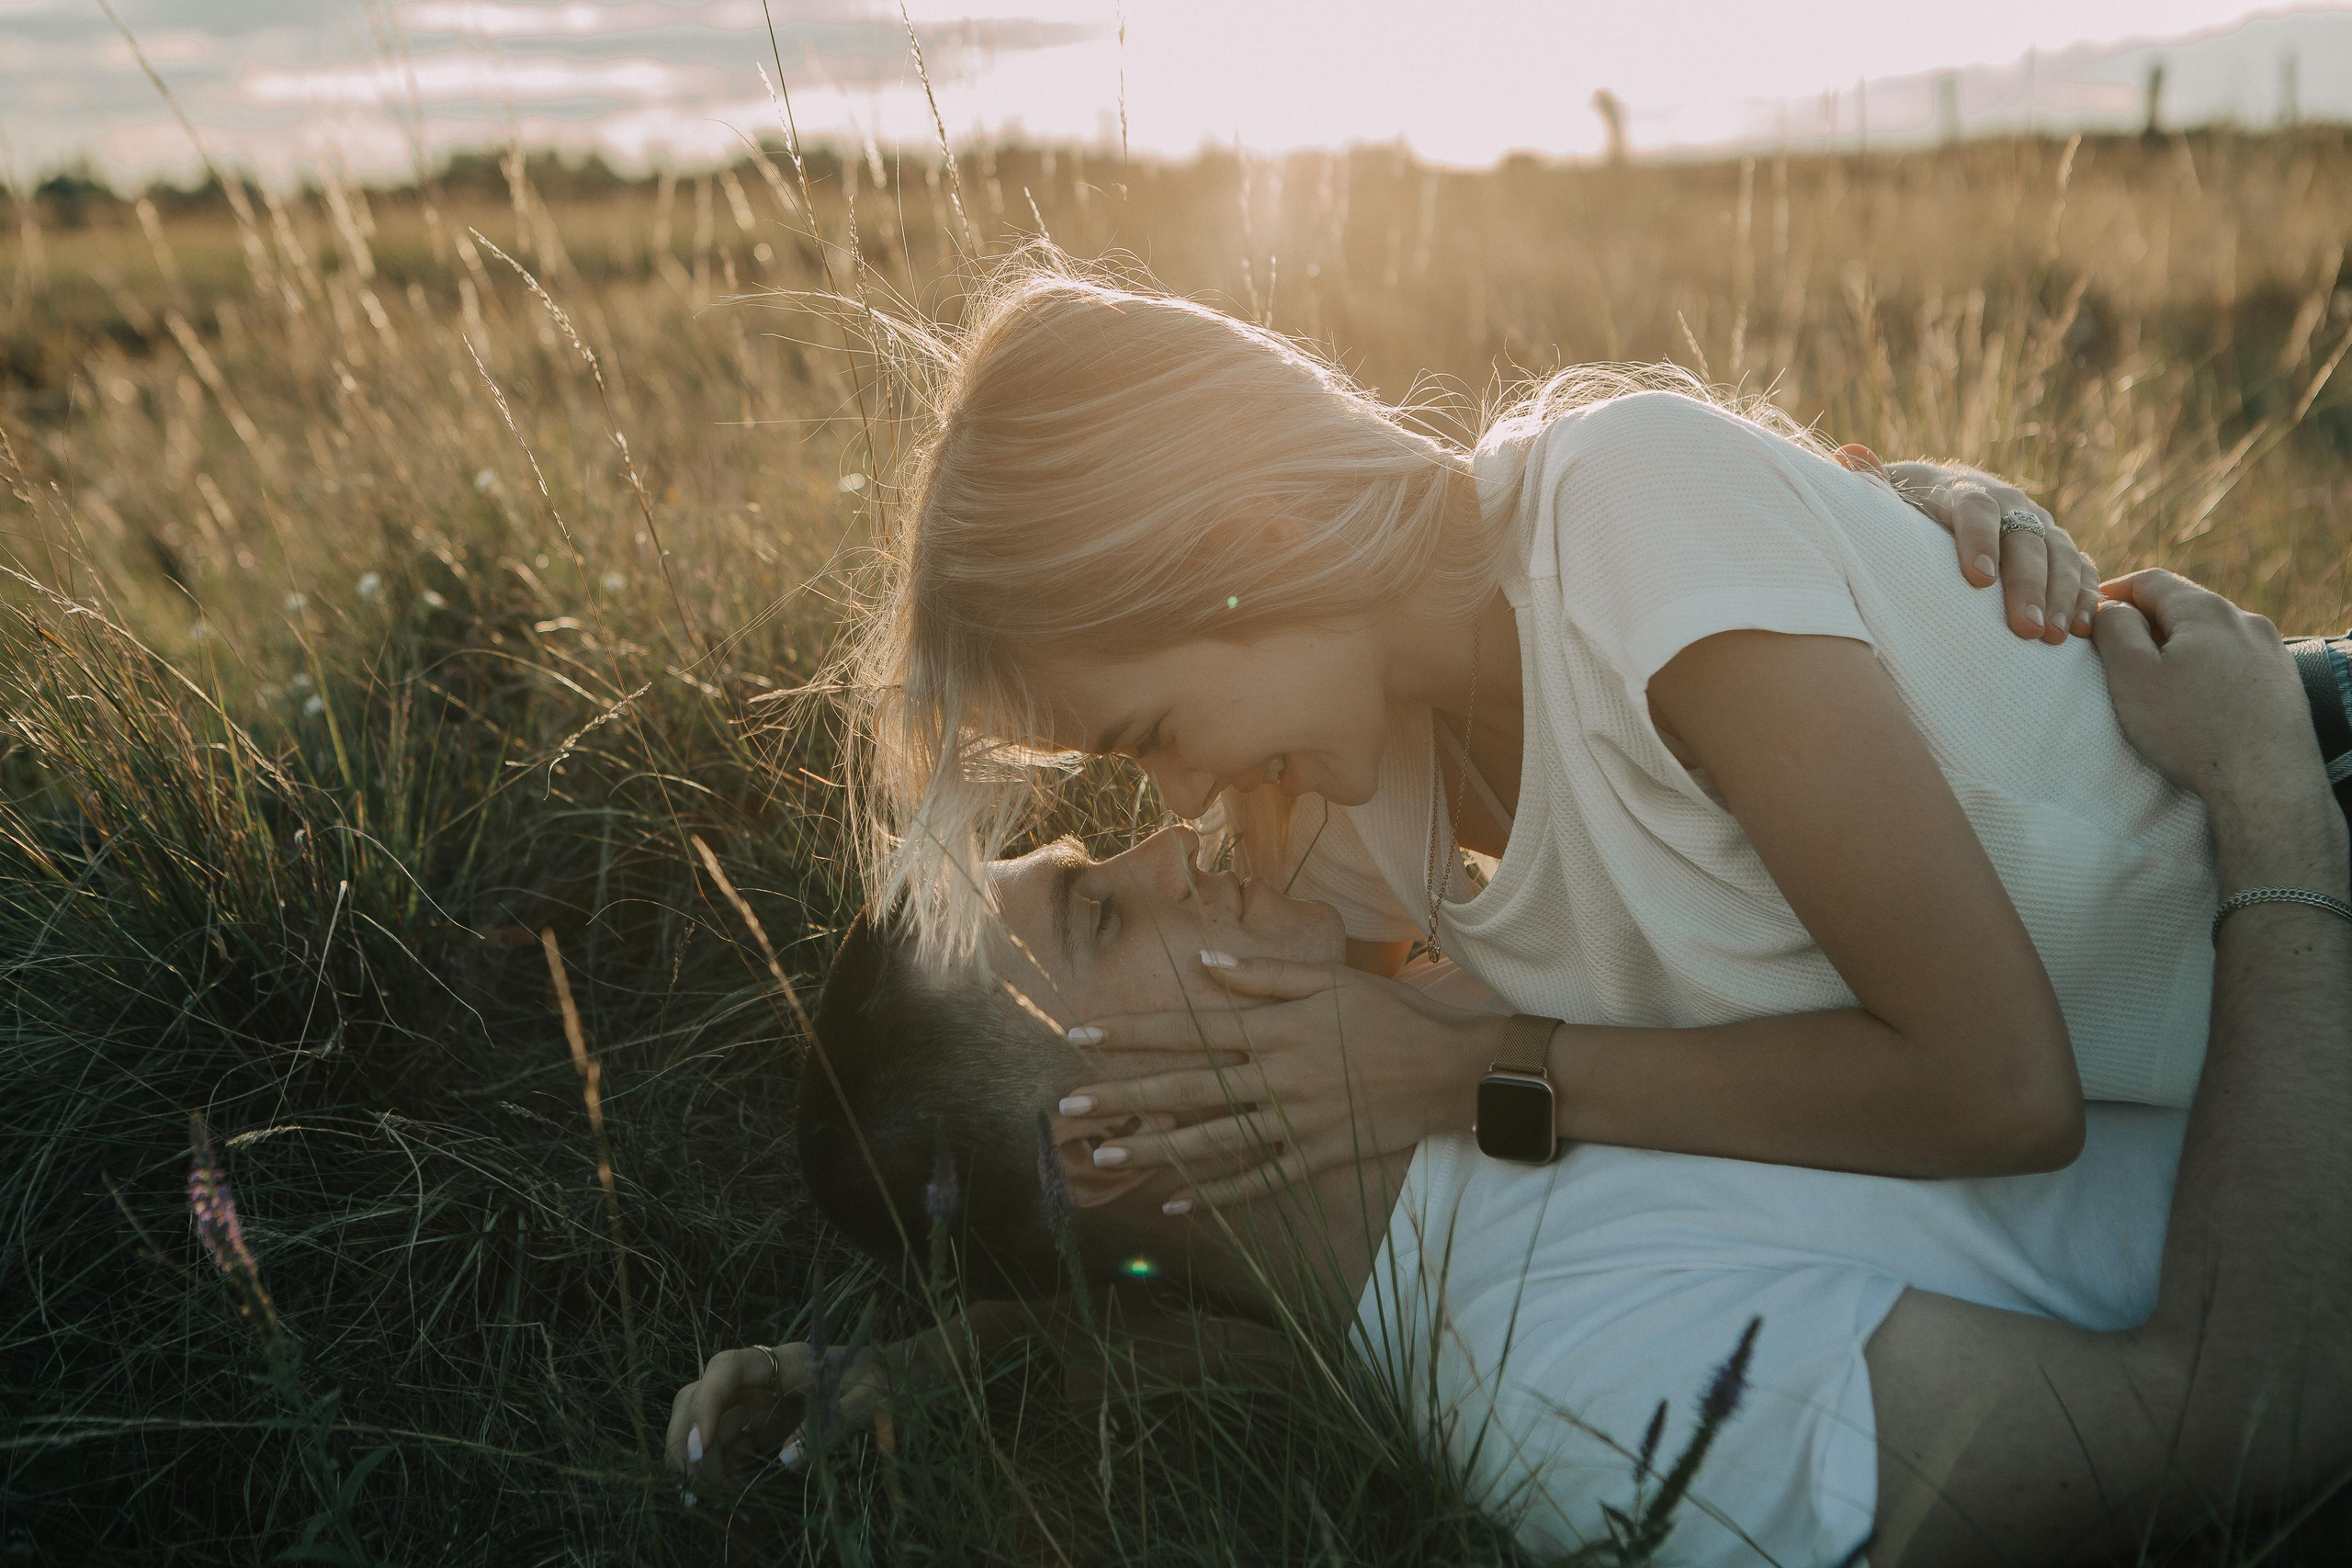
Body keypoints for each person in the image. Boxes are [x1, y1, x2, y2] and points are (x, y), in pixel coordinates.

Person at [677, 570, 2352, 1564]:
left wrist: (956, 1356)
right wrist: (2273, 804)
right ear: (1117, 1137)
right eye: (1105, 916)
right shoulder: (1583, 1395)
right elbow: (2245, 1412)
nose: (1177, 848)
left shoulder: (1418, 1056)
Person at [840, 255, 2220, 1199]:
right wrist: (975, 1365)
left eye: (1151, 732)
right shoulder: (1340, 815)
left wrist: (1466, 1075)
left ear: (1251, 546)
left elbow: (2001, 1091)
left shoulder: (1627, 517)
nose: (1185, 802)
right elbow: (1337, 1196)